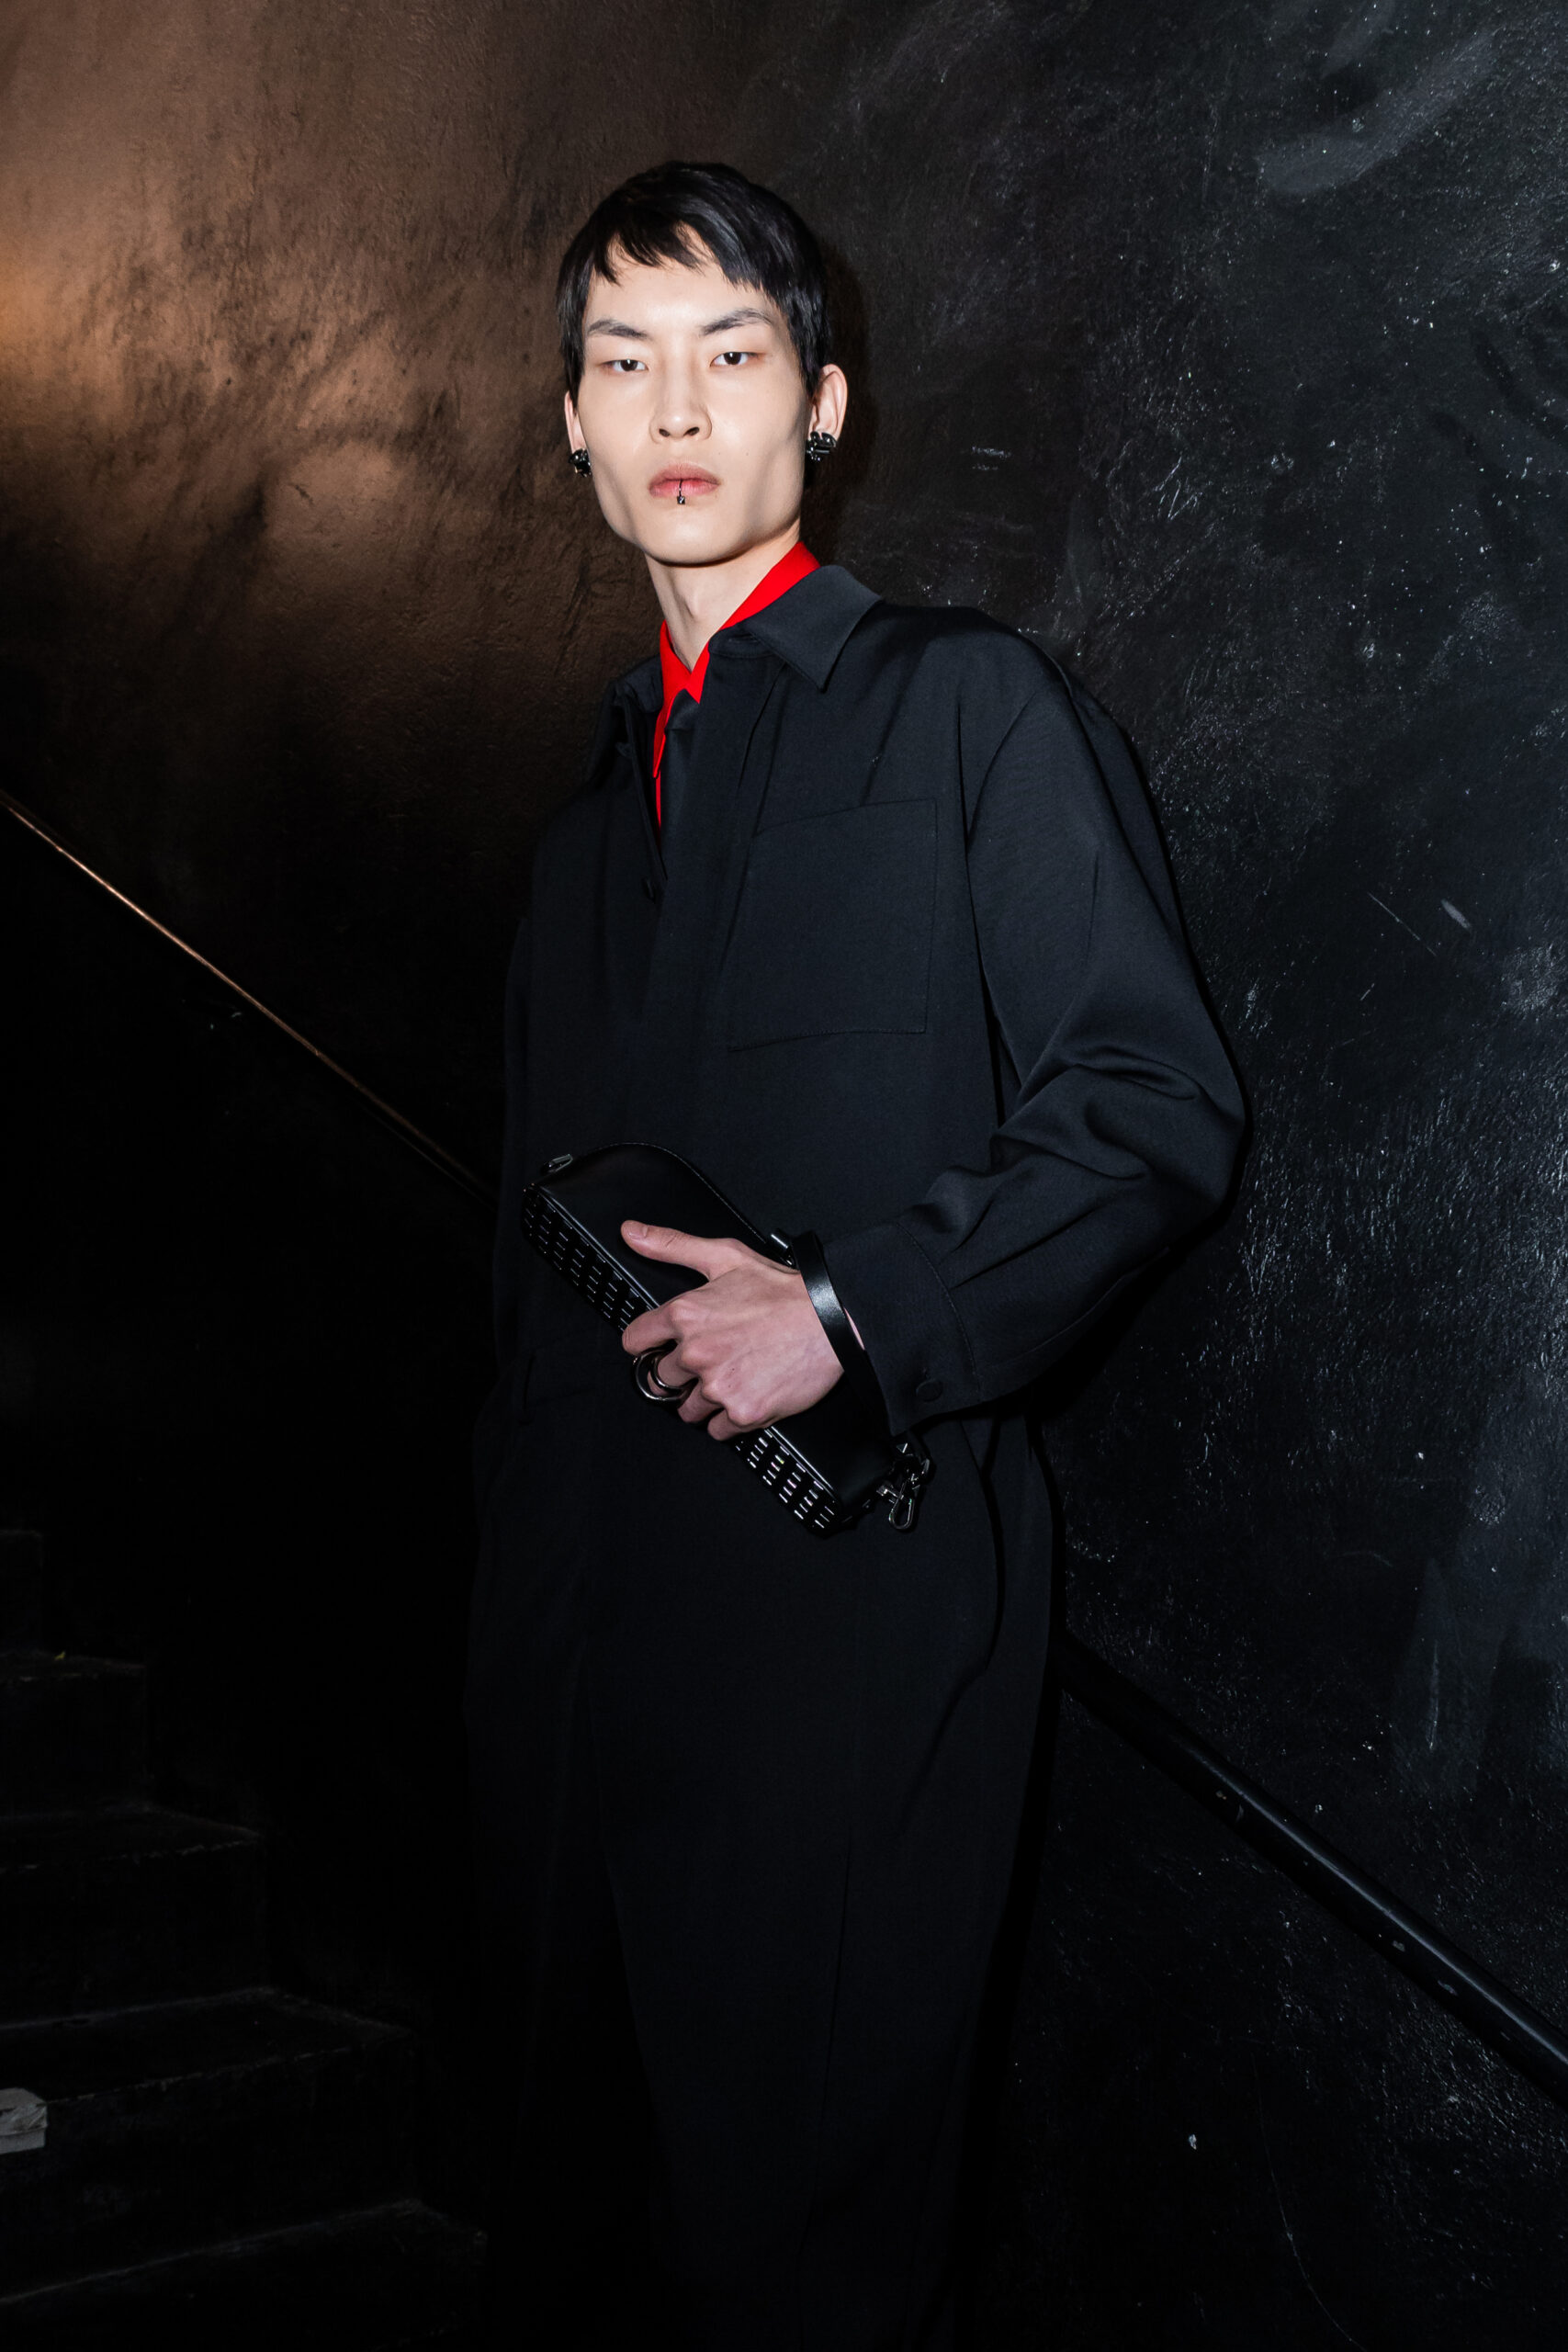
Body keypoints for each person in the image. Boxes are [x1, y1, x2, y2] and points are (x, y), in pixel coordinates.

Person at [466, 160, 1243, 2350]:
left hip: (840, 1661)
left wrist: (846, 1309)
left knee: (799, 2269)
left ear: (820, 401)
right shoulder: (575, 839)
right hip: (570, 1679)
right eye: (623, 361)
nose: (673, 406)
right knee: (569, 2236)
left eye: (729, 352)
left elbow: (1149, 1105)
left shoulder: (968, 710)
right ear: (570, 421)